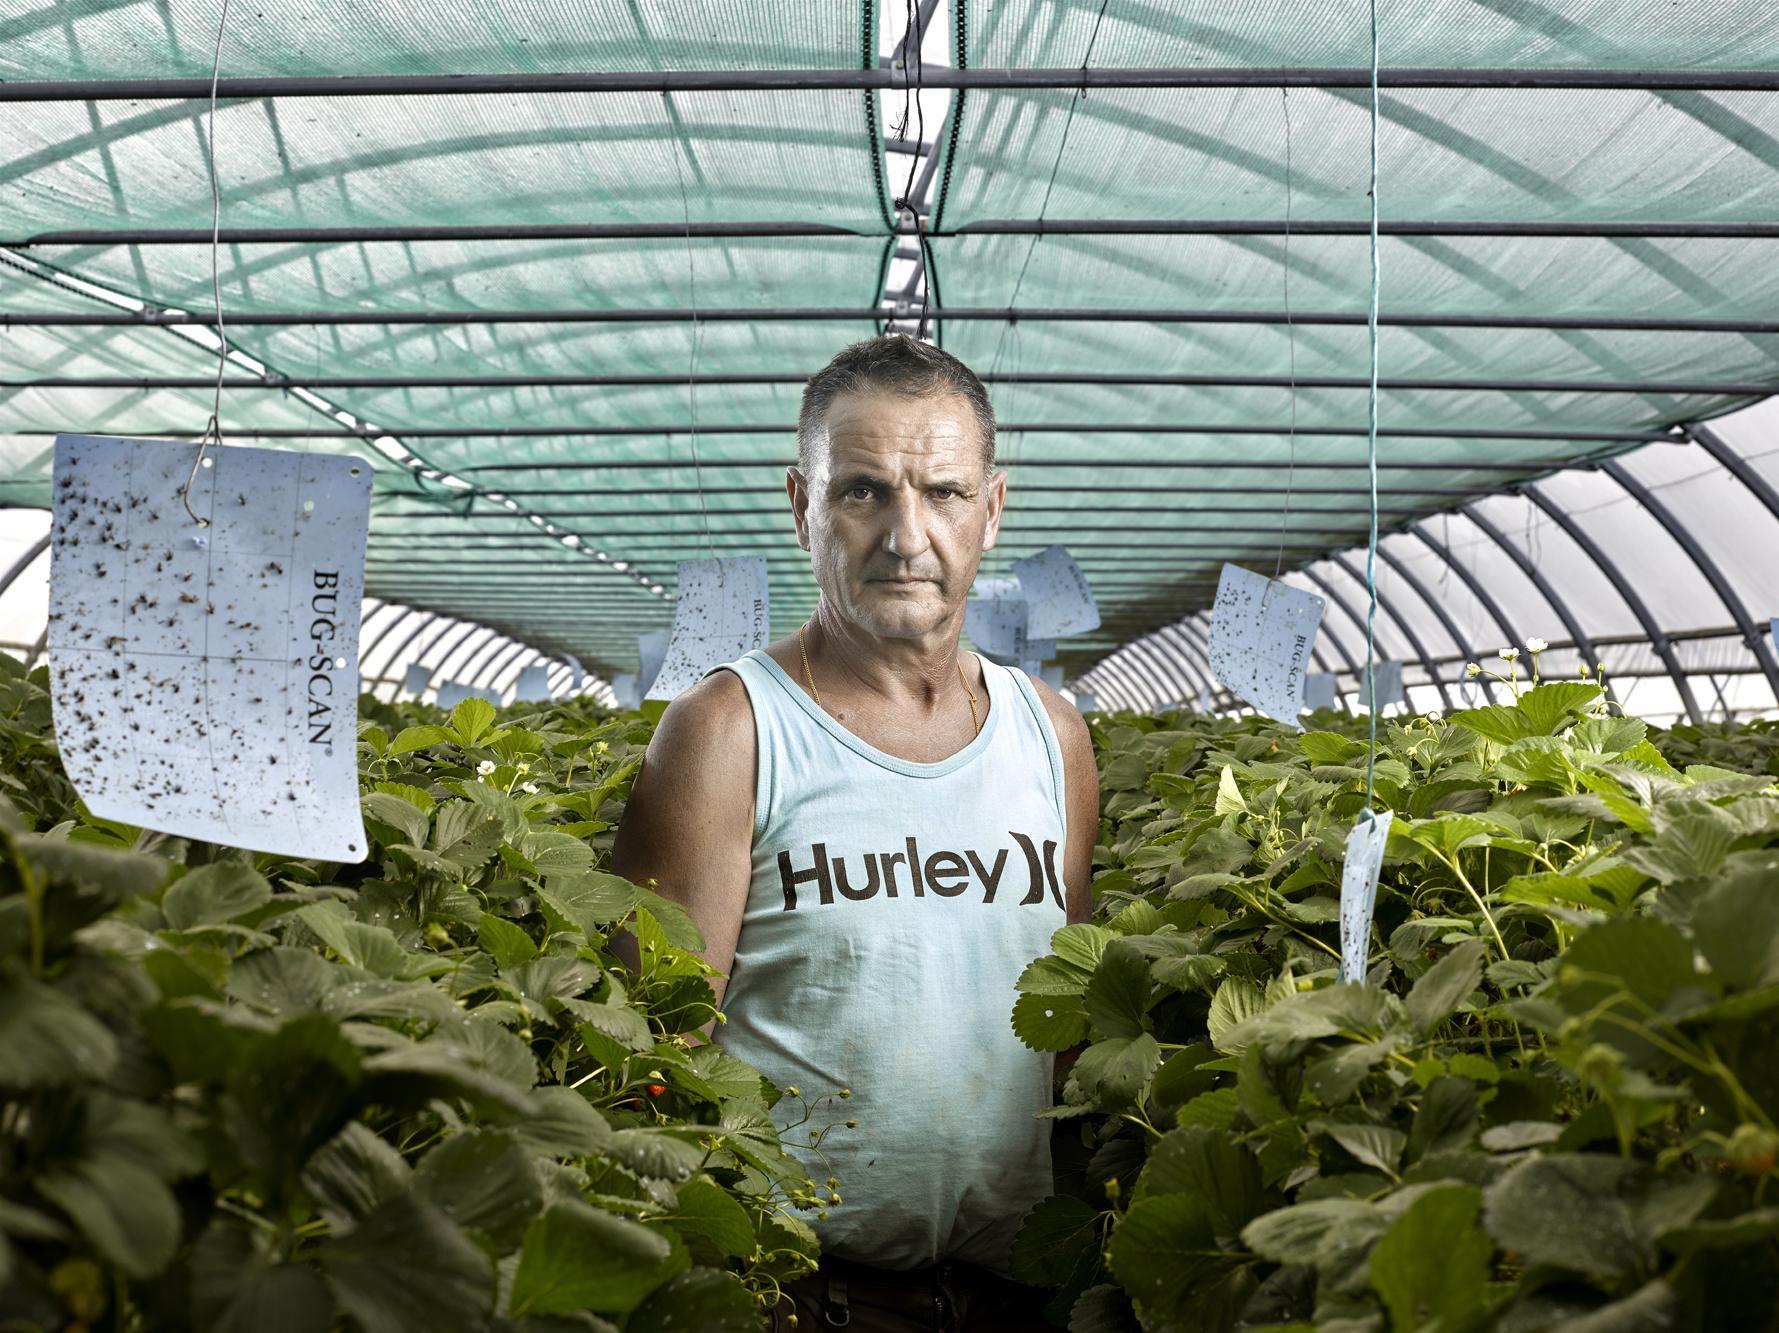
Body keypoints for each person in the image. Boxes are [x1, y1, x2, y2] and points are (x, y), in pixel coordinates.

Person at [612, 334, 1098, 1331]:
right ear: (803, 505)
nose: (906, 535)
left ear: (992, 510)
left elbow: (1067, 1026)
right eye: (863, 491)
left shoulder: (1051, 736)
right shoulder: (729, 730)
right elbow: (650, 1062)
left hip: (1015, 1294)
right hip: (798, 1295)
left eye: (945, 493)